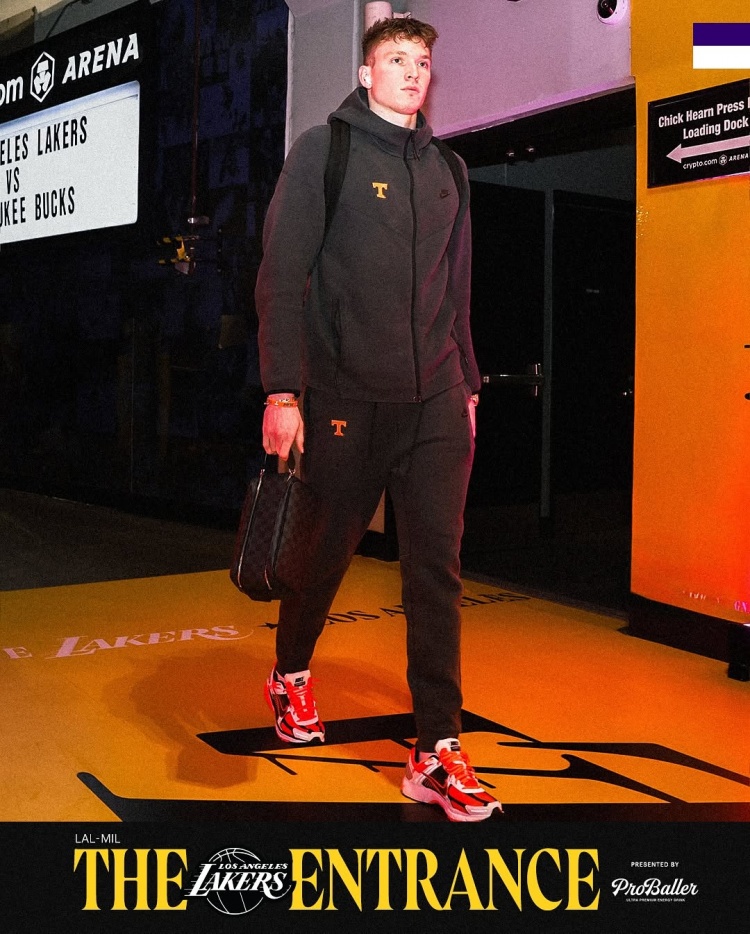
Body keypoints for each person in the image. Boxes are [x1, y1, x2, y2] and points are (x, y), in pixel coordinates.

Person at [254, 16, 501, 822]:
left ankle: (437, 749)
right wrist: (282, 392)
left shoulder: (450, 170)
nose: (412, 71)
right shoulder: (324, 152)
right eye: (396, 58)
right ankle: (291, 671)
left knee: (436, 572)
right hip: (345, 399)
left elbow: (457, 290)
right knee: (323, 553)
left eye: (421, 60)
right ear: (366, 74)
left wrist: (467, 384)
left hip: (436, 401)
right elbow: (282, 275)